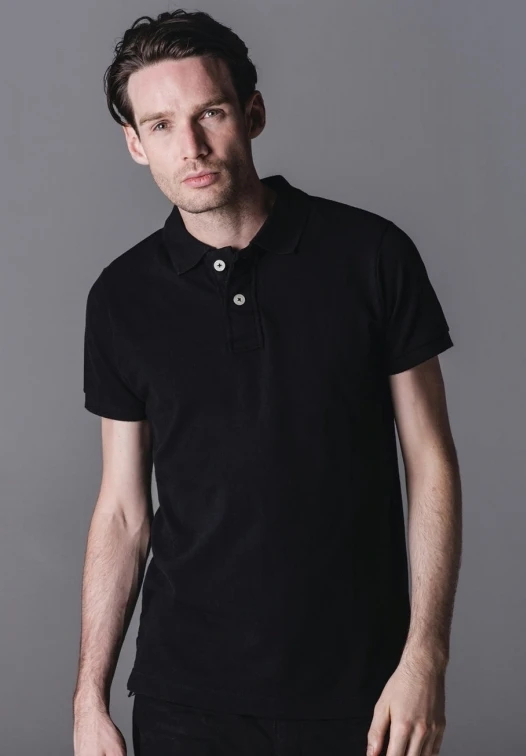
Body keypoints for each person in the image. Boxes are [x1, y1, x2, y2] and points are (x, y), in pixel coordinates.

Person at [73, 9, 462, 756]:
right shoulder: (120, 297)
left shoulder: (372, 255)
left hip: (360, 691)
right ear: (135, 143)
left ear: (251, 112)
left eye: (210, 113)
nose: (190, 148)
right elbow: (121, 510)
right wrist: (90, 697)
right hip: (183, 698)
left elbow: (431, 464)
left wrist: (426, 657)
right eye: (161, 125)